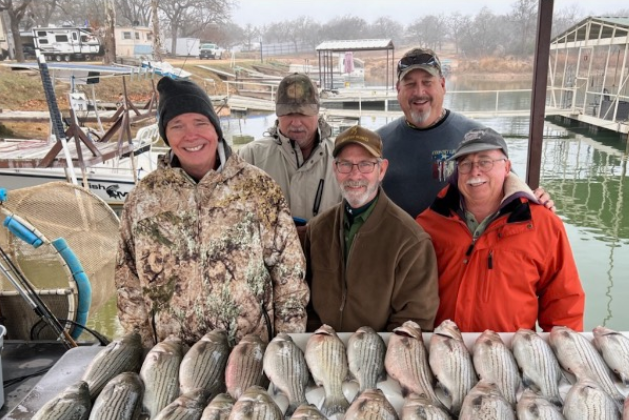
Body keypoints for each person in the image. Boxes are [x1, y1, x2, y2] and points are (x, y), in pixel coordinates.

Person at [116, 76, 309, 348]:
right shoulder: (142, 199)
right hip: (172, 360)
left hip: (248, 356)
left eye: (200, 123)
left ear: (216, 129)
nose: (190, 135)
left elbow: (289, 276)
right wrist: (142, 352)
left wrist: (284, 346)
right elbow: (128, 284)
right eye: (177, 126)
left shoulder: (259, 189)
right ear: (165, 134)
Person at [416, 127, 584, 333]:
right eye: (465, 163)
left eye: (485, 161)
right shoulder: (429, 223)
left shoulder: (544, 224)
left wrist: (566, 353)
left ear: (507, 167)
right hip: (445, 349)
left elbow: (564, 301)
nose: (475, 171)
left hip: (513, 355)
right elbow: (412, 293)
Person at [378, 47, 552, 218]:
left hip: (459, 245)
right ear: (398, 90)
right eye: (410, 84)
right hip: (397, 245)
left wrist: (535, 199)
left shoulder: (477, 138)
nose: (419, 92)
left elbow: (510, 187)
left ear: (443, 85)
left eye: (427, 82)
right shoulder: (376, 143)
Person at [303, 125, 439, 332]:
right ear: (335, 169)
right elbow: (301, 296)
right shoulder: (316, 229)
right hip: (322, 353)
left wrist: (371, 353)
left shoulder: (411, 240)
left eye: (366, 164)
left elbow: (414, 319)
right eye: (345, 165)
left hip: (377, 356)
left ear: (382, 169)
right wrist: (320, 341)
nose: (355, 175)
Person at [238, 73, 341, 222]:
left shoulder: (341, 157)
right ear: (278, 114)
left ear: (317, 112)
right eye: (289, 114)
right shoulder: (249, 157)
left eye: (303, 114)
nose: (296, 123)